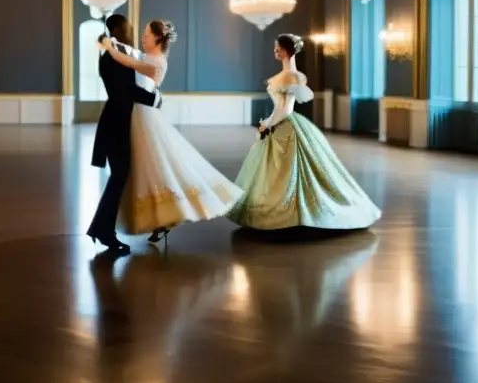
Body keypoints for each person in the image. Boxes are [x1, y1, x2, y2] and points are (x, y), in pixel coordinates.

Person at [100, 19, 244, 244]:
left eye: (147, 34)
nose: (142, 36)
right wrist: (115, 43)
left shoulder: (156, 62)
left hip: (144, 119)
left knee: (157, 168)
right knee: (144, 171)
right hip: (135, 116)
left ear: (158, 38)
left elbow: (125, 61)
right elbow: (129, 54)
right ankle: (159, 220)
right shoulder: (145, 56)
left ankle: (166, 217)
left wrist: (108, 45)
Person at [226, 33, 381, 231]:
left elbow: (285, 108)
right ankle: (284, 208)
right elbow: (282, 107)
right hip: (280, 122)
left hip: (284, 123)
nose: (274, 50)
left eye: (277, 47)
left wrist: (268, 125)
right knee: (279, 172)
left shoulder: (291, 76)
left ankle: (291, 212)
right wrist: (268, 123)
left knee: (289, 171)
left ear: (285, 50)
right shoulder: (291, 76)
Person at [88, 14, 162, 254]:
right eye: (128, 27)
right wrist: (154, 98)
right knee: (118, 177)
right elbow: (125, 90)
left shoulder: (118, 52)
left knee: (120, 177)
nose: (132, 31)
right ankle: (104, 231)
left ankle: (105, 229)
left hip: (121, 120)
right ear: (116, 29)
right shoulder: (112, 55)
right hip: (117, 123)